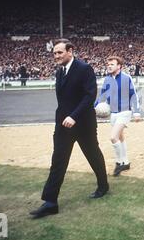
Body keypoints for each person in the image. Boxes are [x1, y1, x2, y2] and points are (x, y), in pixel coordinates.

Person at [30, 39, 109, 219]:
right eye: (54, 53)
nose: (56, 56)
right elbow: (63, 101)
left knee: (93, 155)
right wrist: (63, 118)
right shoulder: (60, 72)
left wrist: (74, 116)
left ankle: (103, 186)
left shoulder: (84, 68)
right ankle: (50, 202)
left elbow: (90, 96)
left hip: (83, 124)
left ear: (70, 51)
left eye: (59, 52)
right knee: (58, 160)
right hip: (63, 125)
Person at [95, 56, 141, 176]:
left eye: (112, 64)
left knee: (113, 137)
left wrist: (136, 111)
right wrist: (95, 107)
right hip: (113, 113)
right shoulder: (107, 79)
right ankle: (126, 161)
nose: (109, 66)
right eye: (108, 64)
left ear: (119, 66)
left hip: (125, 112)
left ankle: (119, 163)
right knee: (120, 138)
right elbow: (102, 96)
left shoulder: (126, 78)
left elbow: (133, 95)